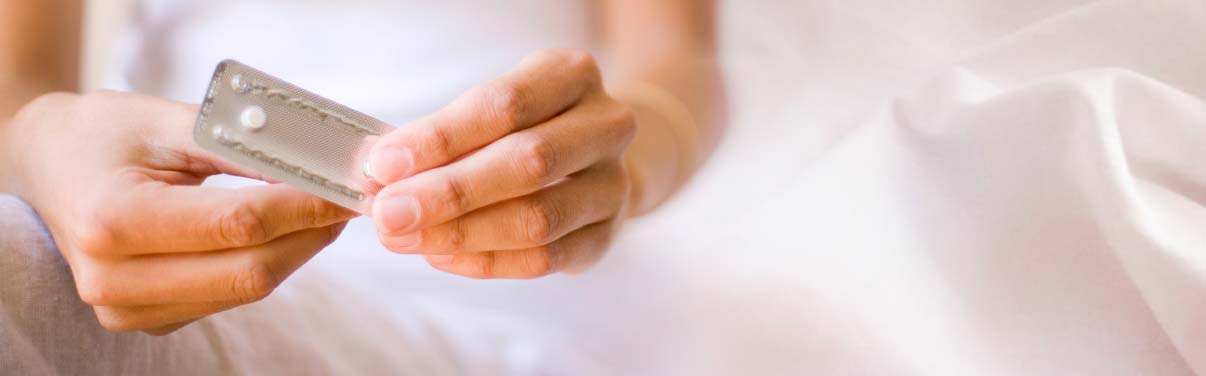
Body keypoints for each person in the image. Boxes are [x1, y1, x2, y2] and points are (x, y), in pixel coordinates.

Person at [0, 0, 722, 335]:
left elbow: (679, 63)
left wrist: (621, 171)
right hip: (182, 274)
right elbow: (14, 98)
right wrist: (38, 144)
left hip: (537, 296)